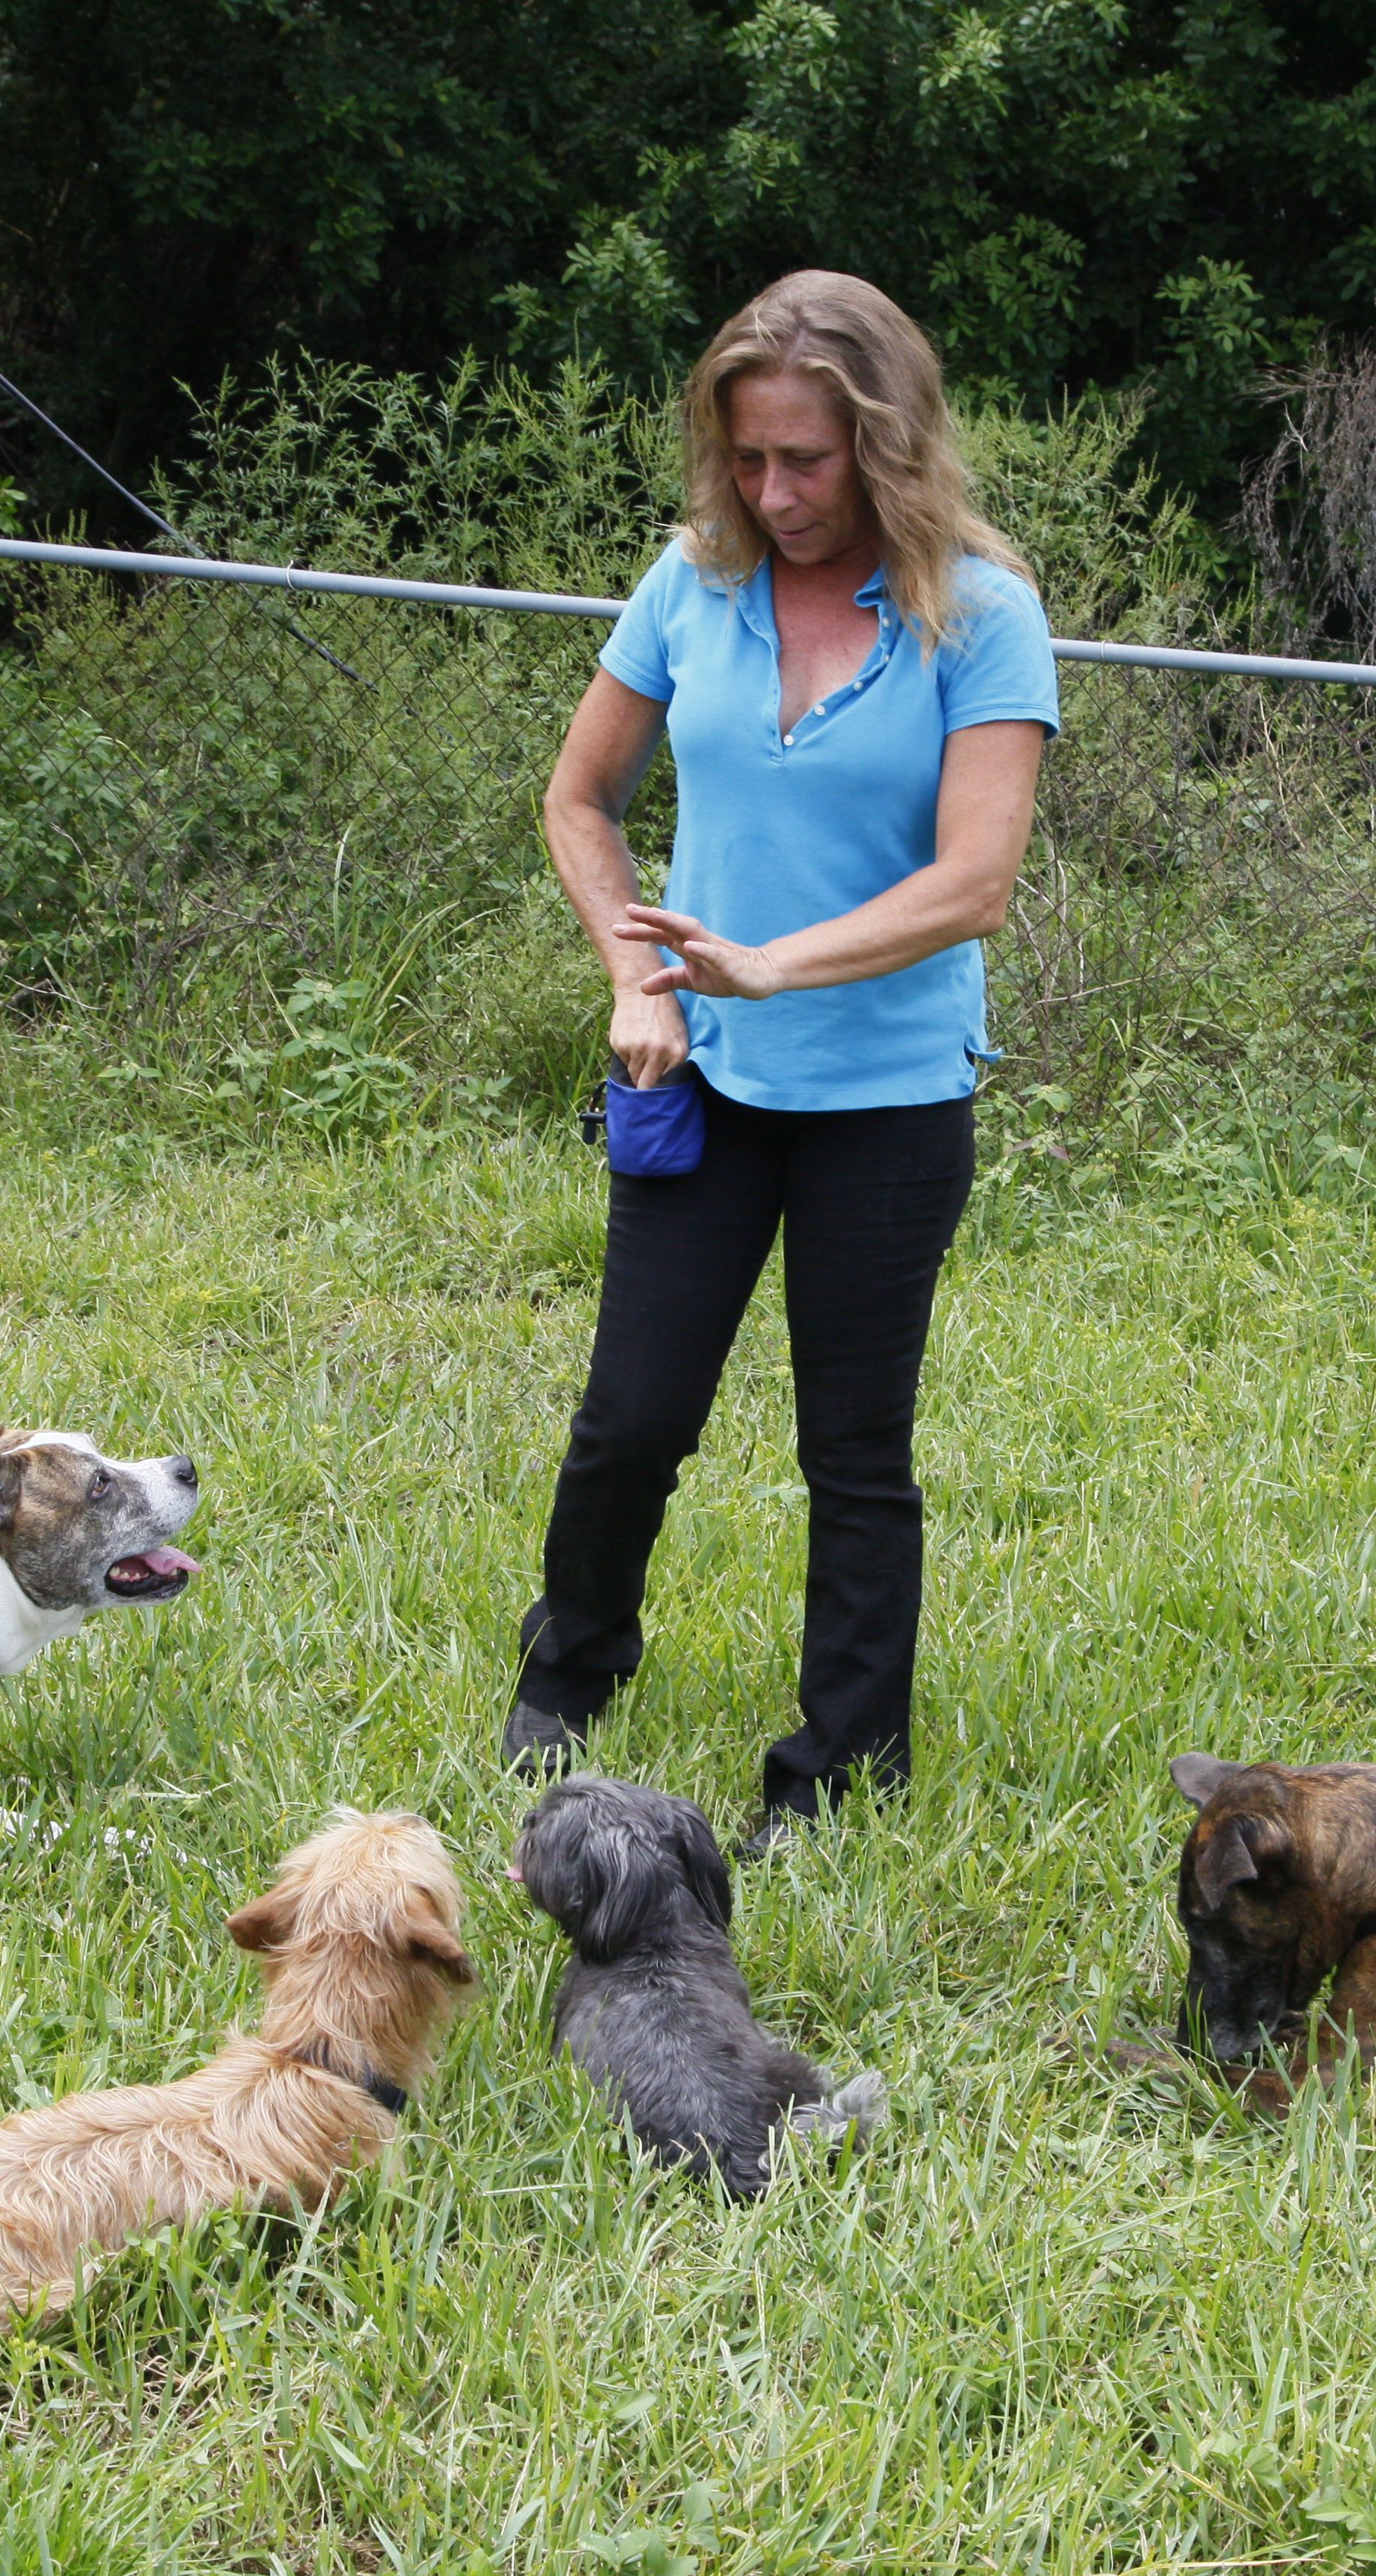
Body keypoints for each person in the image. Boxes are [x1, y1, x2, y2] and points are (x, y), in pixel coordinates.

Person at [502, 269, 1060, 1856]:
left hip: (889, 1099)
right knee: (630, 1417)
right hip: (703, 1086)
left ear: (886, 443)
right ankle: (569, 1675)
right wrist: (642, 973)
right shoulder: (690, 583)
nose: (774, 493)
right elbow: (579, 800)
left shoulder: (983, 617)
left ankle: (841, 1773)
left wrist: (771, 964)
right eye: (748, 458)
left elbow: (977, 883)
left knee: (856, 1453)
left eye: (807, 461)